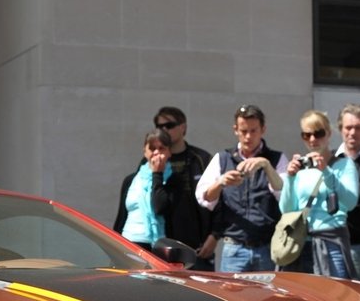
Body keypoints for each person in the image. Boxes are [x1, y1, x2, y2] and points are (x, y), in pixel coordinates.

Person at [194, 104, 288, 272]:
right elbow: (204, 197)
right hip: (234, 249)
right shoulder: (223, 158)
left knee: (266, 298)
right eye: (243, 131)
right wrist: (221, 182)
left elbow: (285, 195)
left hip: (267, 247)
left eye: (253, 131)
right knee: (230, 297)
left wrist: (266, 166)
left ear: (263, 129)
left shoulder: (276, 159)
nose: (248, 137)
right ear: (235, 130)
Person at [279, 109, 358, 278]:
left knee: (336, 297)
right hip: (300, 243)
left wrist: (327, 172)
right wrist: (290, 178)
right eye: (306, 135)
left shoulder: (343, 164)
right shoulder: (301, 168)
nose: (313, 139)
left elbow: (350, 202)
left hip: (331, 242)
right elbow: (286, 210)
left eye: (318, 133)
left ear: (329, 134)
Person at [152, 107, 216, 270]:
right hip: (163, 248)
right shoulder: (153, 162)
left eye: (169, 125)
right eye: (160, 127)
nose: (164, 130)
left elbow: (219, 200)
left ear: (183, 127)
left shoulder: (200, 158)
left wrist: (214, 236)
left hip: (198, 248)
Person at [114, 128, 178, 250]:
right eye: (152, 148)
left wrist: (157, 174)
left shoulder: (174, 180)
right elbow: (121, 216)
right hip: (129, 242)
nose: (156, 153)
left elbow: (160, 207)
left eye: (162, 148)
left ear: (169, 152)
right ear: (145, 152)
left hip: (158, 246)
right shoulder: (131, 180)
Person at [335, 103, 360, 282]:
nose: (352, 132)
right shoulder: (329, 160)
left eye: (358, 128)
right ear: (340, 129)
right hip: (331, 243)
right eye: (348, 127)